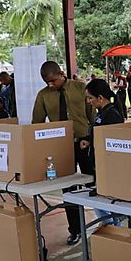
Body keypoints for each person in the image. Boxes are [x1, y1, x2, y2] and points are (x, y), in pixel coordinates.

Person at [32, 61, 94, 245]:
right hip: (61, 147)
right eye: (46, 82)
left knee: (93, 183)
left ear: (61, 73)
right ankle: (75, 230)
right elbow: (37, 123)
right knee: (68, 190)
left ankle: (105, 223)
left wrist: (91, 137)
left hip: (84, 143)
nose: (50, 85)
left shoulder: (80, 88)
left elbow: (91, 115)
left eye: (52, 80)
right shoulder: (43, 95)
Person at [79, 79, 127, 226]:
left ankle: (112, 227)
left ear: (100, 98)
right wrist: (88, 140)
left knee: (104, 204)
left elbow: (113, 143)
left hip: (109, 169)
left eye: (90, 98)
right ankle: (109, 226)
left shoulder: (112, 115)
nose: (88, 102)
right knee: (99, 204)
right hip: (99, 166)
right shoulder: (101, 113)